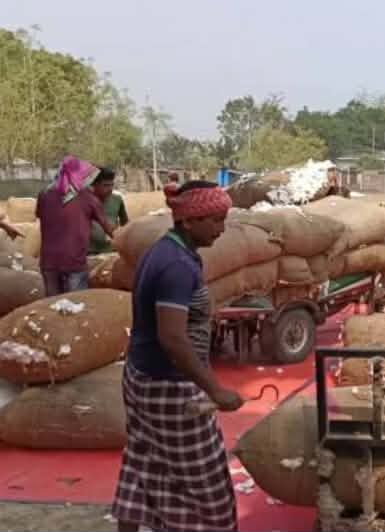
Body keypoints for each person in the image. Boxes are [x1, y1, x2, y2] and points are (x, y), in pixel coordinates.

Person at [112, 181, 243, 532]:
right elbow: (173, 338)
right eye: (215, 220)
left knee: (144, 463)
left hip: (141, 375)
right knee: (206, 483)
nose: (221, 228)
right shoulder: (176, 267)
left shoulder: (163, 251)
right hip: (170, 387)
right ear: (189, 221)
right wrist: (215, 389)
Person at [35, 155, 113, 296]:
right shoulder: (88, 198)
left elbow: (41, 216)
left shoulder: (44, 194)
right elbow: (109, 229)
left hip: (48, 262)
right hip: (74, 262)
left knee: (53, 306)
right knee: (76, 306)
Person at [89, 167, 130, 255]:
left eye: (112, 185)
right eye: (105, 185)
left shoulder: (117, 200)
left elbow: (126, 225)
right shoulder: (85, 202)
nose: (110, 188)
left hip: (112, 251)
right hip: (89, 252)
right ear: (94, 185)